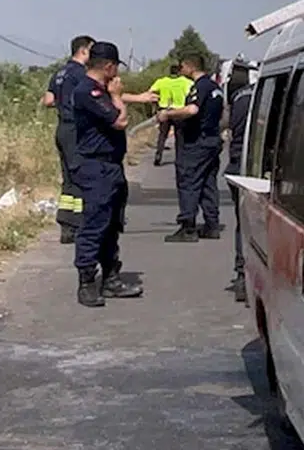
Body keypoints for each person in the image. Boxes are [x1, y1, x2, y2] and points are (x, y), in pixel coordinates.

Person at [69, 41, 143, 307]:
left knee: (112, 224)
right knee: (95, 224)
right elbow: (120, 121)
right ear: (109, 66)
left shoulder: (97, 90)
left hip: (110, 165)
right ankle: (87, 281)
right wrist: (117, 97)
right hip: (94, 167)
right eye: (115, 68)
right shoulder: (88, 92)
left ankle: (111, 277)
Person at [156, 53, 224, 242]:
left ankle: (187, 227)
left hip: (196, 143)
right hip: (212, 140)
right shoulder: (215, 88)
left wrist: (168, 114)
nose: (181, 70)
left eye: (182, 67)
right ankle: (212, 224)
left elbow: (192, 110)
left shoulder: (199, 87)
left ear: (189, 66)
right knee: (208, 183)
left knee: (189, 182)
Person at [41, 35, 95, 244]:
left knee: (68, 177)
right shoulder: (81, 74)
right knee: (81, 174)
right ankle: (79, 223)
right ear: (83, 51)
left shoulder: (59, 73)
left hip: (62, 129)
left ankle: (66, 223)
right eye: (92, 51)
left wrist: (63, 104)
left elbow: (47, 101)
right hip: (75, 129)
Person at [222, 64, 257, 302]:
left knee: (242, 224)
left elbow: (225, 125)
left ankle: (243, 275)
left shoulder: (237, 97)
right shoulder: (265, 94)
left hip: (237, 166)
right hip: (258, 170)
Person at [143, 64, 193, 166]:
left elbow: (150, 92)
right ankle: (180, 158)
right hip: (179, 112)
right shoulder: (186, 82)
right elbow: (192, 92)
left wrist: (156, 102)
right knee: (179, 136)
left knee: (162, 135)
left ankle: (158, 155)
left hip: (164, 110)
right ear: (179, 72)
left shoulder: (161, 81)